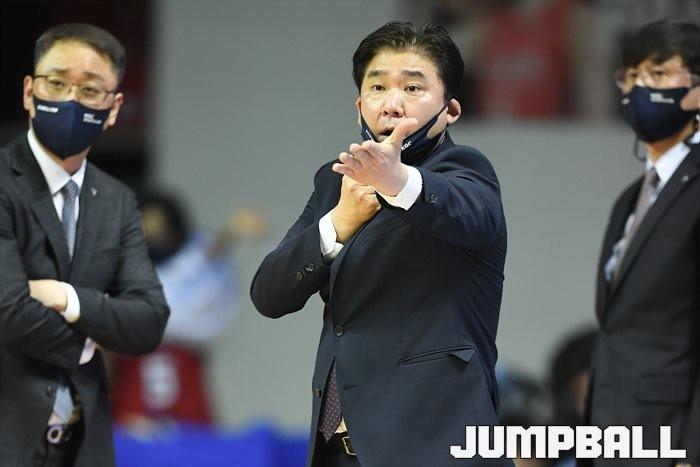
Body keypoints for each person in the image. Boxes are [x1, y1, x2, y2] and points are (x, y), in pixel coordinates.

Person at [251, 21, 511, 467]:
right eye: (377, 87)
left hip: (435, 449)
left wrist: (397, 181)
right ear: (359, 107)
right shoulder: (335, 182)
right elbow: (268, 294)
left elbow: (470, 214)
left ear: (450, 109)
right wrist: (339, 222)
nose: (392, 103)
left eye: (413, 87)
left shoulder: (464, 170)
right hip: (338, 450)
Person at [0, 23, 169, 467]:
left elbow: (149, 321)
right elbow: (8, 312)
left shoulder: (116, 200)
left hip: (82, 444)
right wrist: (94, 339)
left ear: (113, 108)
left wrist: (67, 298)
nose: (70, 100)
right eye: (56, 83)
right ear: (28, 92)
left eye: (90, 90)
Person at [586, 19, 700, 467]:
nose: (639, 87)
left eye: (658, 73)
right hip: (614, 436)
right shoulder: (631, 198)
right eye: (631, 75)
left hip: (674, 440)